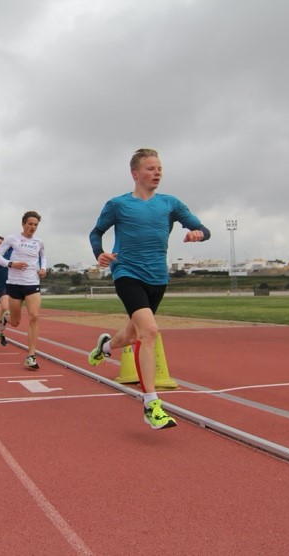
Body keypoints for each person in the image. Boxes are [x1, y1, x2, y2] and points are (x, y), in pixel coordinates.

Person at [87, 148, 210, 429]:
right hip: (127, 273)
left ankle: (105, 347)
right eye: (151, 168)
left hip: (157, 278)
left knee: (132, 336)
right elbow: (96, 232)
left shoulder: (170, 203)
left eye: (159, 168)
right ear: (135, 173)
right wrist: (99, 253)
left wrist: (197, 233)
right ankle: (151, 404)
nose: (157, 173)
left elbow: (203, 228)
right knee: (150, 331)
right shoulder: (118, 204)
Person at [0, 211, 46, 369]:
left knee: (34, 316)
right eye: (30, 224)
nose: (33, 227)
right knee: (15, 322)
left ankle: (31, 355)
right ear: (23, 224)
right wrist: (11, 264)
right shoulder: (12, 238)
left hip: (32, 284)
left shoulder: (39, 242)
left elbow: (43, 257)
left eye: (35, 225)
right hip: (14, 284)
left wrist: (43, 268)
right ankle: (5, 318)